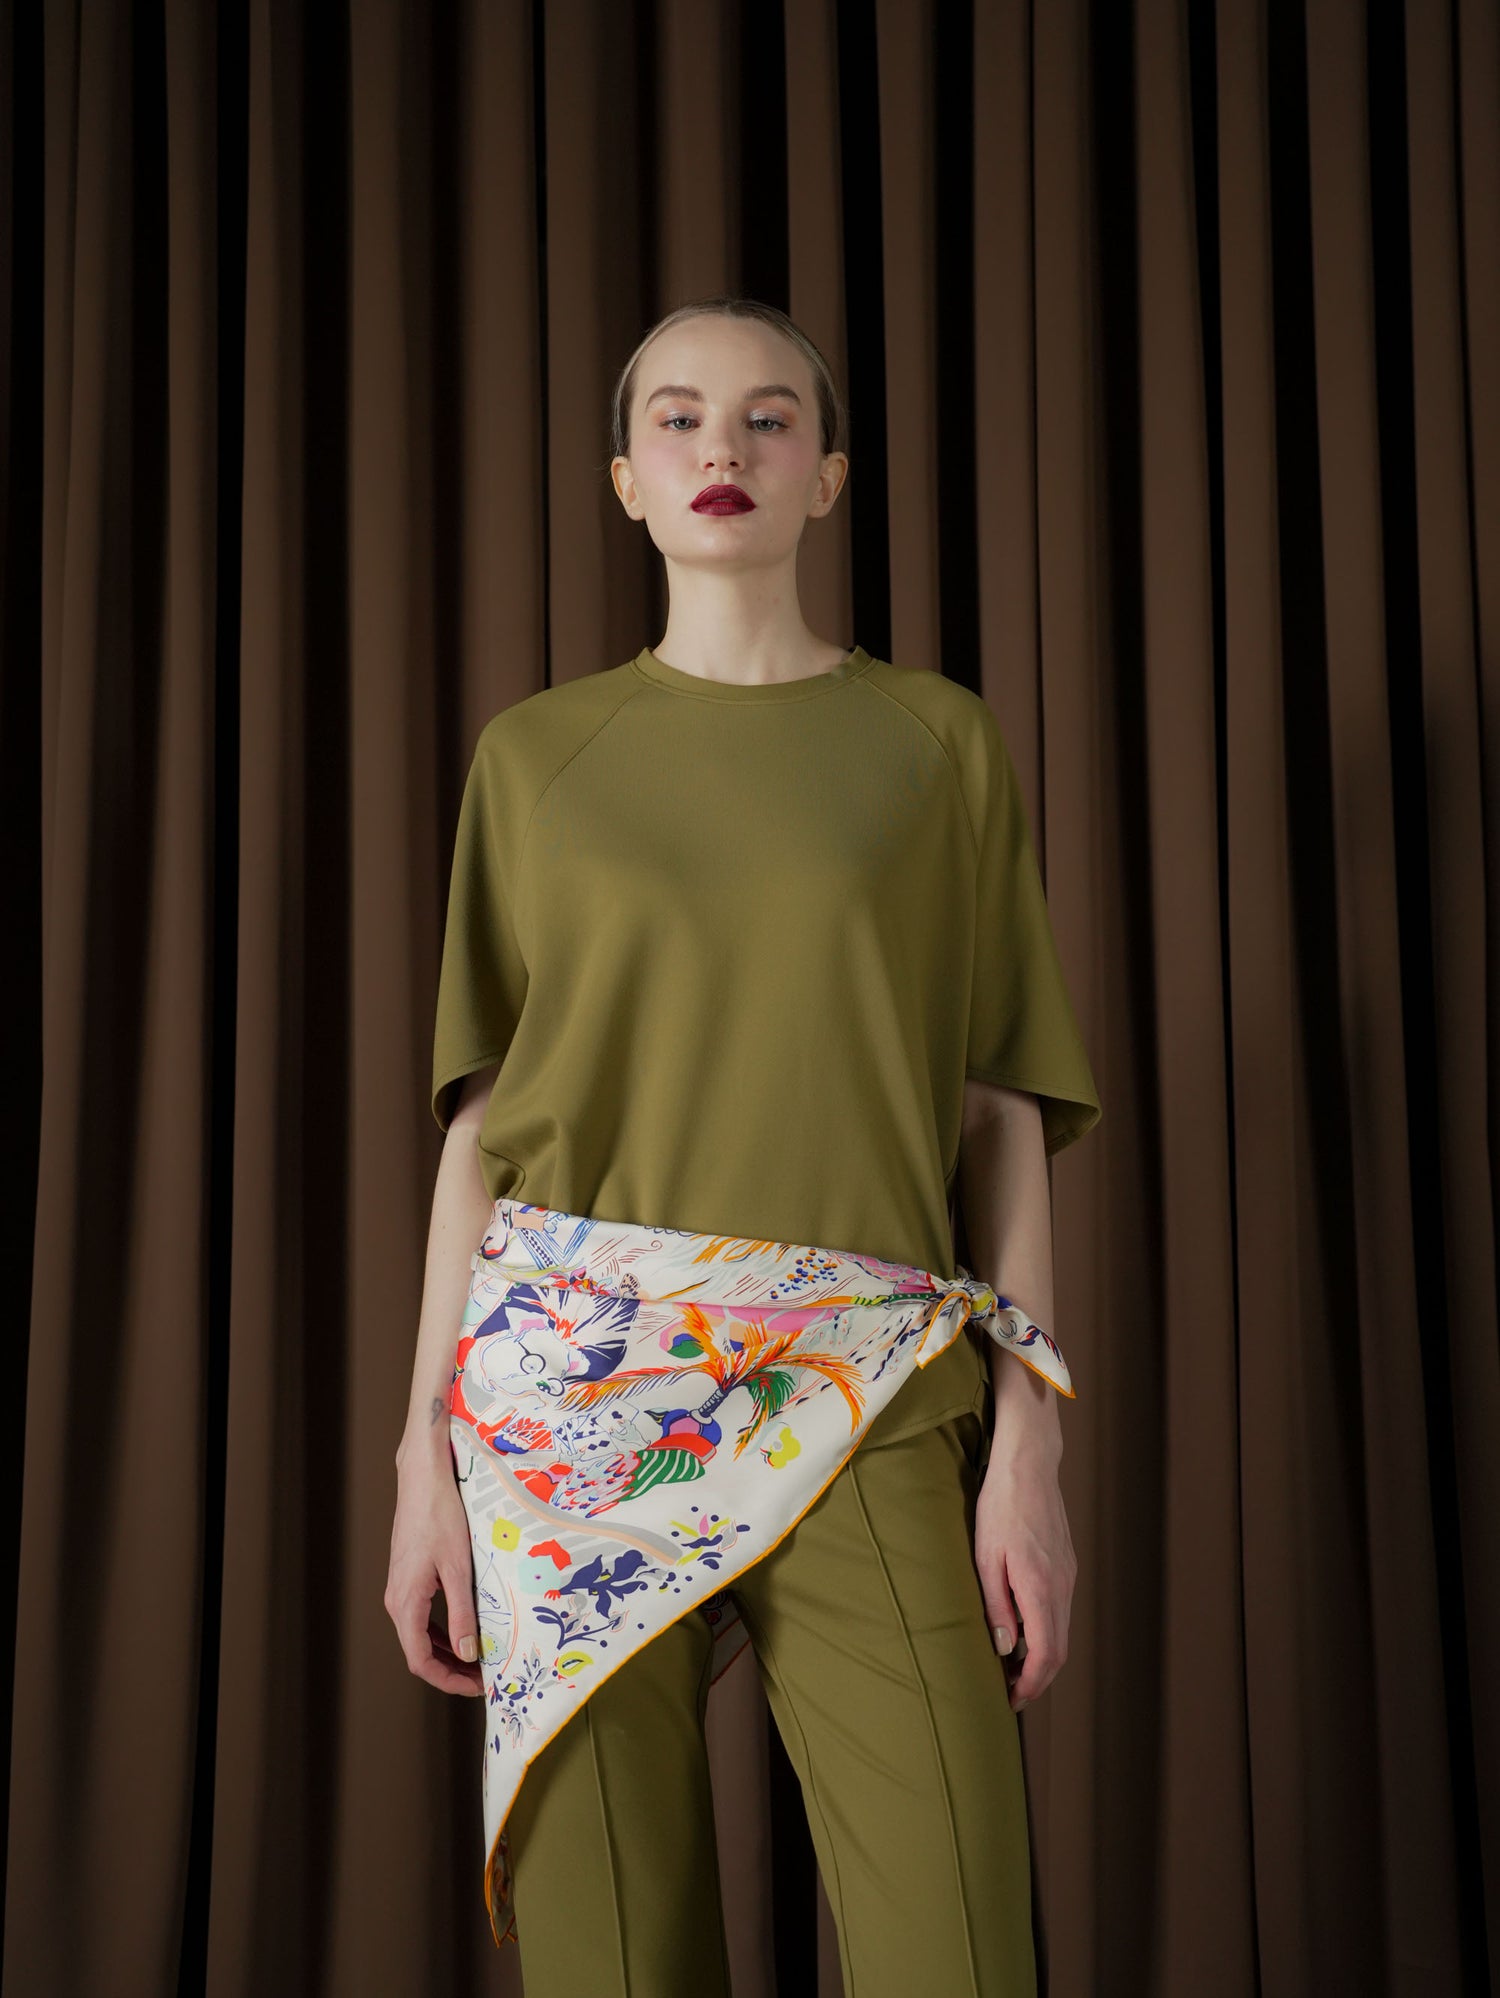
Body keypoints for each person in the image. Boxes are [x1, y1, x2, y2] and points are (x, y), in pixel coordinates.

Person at [385, 296, 1102, 1996]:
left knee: (958, 1944)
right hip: (569, 1403)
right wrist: (422, 1460)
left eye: (771, 417)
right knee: (612, 1960)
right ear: (626, 480)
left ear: (828, 475)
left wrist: (1031, 1443)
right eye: (681, 418)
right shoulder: (534, 759)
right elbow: (486, 1128)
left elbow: (998, 1107)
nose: (725, 446)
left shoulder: (938, 743)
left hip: (870, 1378)